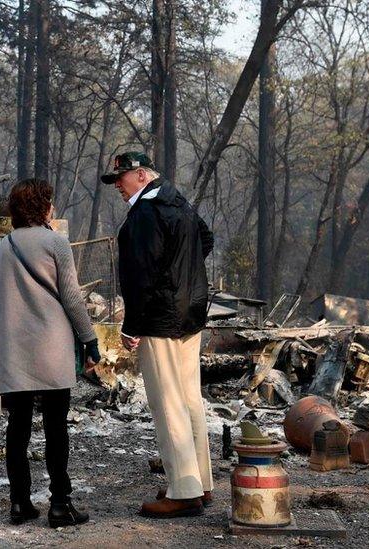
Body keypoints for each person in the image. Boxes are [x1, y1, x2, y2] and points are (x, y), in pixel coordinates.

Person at [101, 151, 214, 518]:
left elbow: (141, 277)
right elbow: (205, 240)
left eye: (122, 177)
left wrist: (132, 325)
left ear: (142, 175)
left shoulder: (145, 214)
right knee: (189, 399)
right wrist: (185, 278)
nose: (118, 185)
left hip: (161, 318)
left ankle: (183, 490)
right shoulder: (177, 201)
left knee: (168, 403)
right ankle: (200, 482)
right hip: (190, 313)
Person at [0, 178, 101, 528]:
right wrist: (89, 338)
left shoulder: (3, 247)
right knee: (56, 428)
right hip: (51, 347)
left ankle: (20, 503)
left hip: (15, 351)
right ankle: (59, 504)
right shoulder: (56, 242)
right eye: (49, 202)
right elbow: (71, 297)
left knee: (17, 429)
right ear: (43, 206)